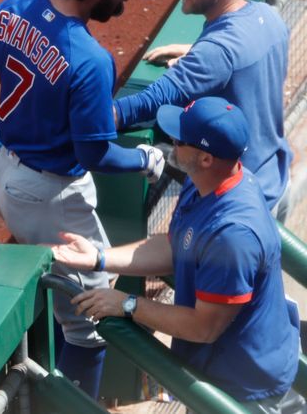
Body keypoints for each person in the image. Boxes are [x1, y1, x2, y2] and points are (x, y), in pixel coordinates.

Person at [0, 0, 165, 399]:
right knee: (92, 321)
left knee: (70, 298)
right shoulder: (90, 59)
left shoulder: (11, 9)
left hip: (6, 169)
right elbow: (95, 154)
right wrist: (143, 159)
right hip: (51, 199)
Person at [53, 96, 300, 412]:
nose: (171, 140)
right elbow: (175, 245)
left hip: (246, 393)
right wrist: (100, 257)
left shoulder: (233, 235)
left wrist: (128, 304)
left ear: (206, 158)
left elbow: (203, 327)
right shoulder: (205, 183)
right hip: (225, 372)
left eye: (180, 139)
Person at [113, 0, 293, 221]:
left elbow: (152, 100)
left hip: (239, 205)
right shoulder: (266, 16)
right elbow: (238, 53)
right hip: (274, 179)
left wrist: (104, 116)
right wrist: (196, 50)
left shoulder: (217, 52)